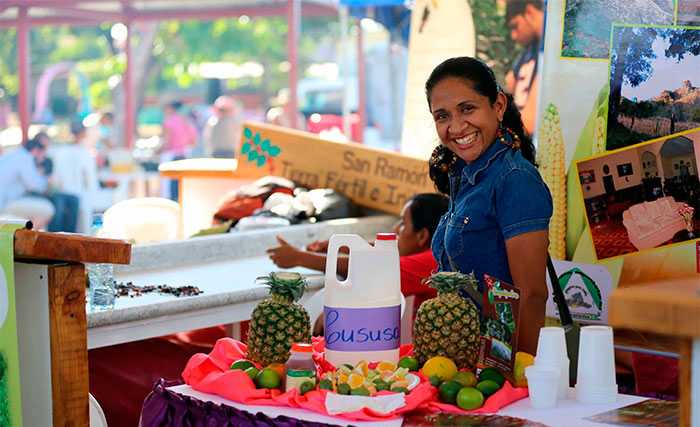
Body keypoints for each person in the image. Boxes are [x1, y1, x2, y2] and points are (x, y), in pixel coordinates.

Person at [425, 56, 552, 355]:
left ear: (497, 105)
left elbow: (531, 296)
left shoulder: (514, 179)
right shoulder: (464, 176)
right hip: (462, 362)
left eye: (467, 108)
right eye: (442, 116)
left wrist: (518, 378)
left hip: (498, 366)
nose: (456, 127)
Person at [266, 193, 450, 315]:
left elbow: (370, 266)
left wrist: (299, 257)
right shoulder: (439, 251)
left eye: (402, 224)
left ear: (422, 235)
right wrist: (334, 246)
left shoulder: (433, 261)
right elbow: (380, 248)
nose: (395, 229)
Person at [49, 121, 100, 234]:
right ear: (82, 133)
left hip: (62, 194)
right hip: (80, 195)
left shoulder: (59, 151)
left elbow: (55, 177)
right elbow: (90, 180)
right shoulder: (85, 154)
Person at [504, 0, 544, 135]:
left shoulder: (553, 50)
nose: (513, 35)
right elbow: (509, 83)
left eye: (516, 26)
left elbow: (530, 122)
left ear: (530, 12)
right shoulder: (529, 50)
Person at [0, 138, 55, 229]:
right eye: (42, 155)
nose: (42, 158)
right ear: (36, 150)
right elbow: (37, 186)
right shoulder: (25, 158)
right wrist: (45, 178)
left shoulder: (12, 155)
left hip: (4, 200)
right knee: (48, 209)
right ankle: (26, 239)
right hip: (4, 203)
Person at [160, 101, 197, 200]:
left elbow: (166, 142)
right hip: (184, 156)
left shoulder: (169, 121)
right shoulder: (186, 120)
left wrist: (157, 151)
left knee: (168, 189)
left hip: (171, 157)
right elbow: (193, 142)